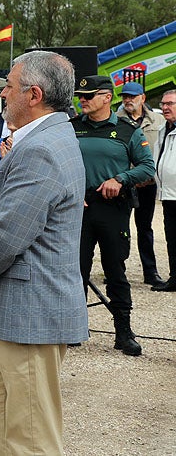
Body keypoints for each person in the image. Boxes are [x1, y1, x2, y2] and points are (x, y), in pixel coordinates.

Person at [0, 50, 88, 454]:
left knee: (29, 438)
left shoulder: (42, 149)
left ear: (33, 94)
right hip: (14, 314)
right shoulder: (40, 141)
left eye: (9, 87)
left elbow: (7, 234)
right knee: (6, 430)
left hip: (30, 317)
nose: (3, 95)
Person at [72, 74, 155, 356]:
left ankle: (123, 332)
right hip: (78, 209)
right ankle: (73, 329)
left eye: (88, 96)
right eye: (80, 96)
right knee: (75, 272)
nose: (82, 100)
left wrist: (120, 179)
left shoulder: (127, 130)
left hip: (112, 209)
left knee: (115, 271)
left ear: (107, 97)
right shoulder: (71, 128)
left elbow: (147, 167)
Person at [116, 81, 167, 287]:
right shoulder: (115, 120)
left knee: (145, 228)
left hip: (147, 183)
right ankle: (117, 269)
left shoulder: (159, 120)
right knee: (120, 227)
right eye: (125, 96)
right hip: (123, 182)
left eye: (132, 97)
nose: (128, 100)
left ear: (142, 98)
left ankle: (150, 272)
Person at [153, 89, 176, 292]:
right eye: (163, 104)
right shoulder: (163, 129)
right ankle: (174, 277)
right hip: (168, 195)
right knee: (172, 239)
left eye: (170, 104)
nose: (165, 107)